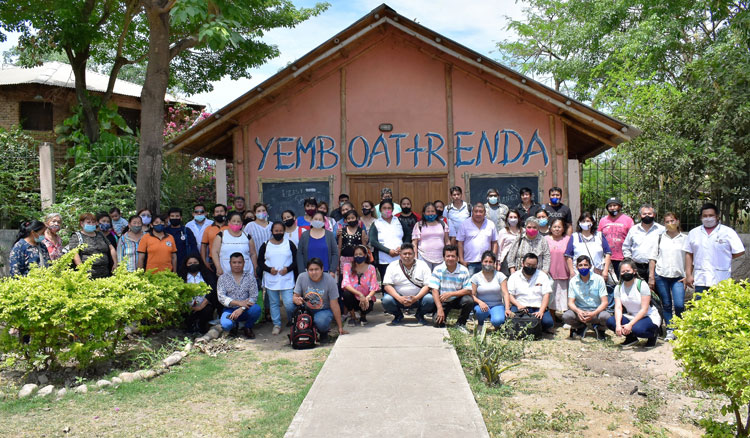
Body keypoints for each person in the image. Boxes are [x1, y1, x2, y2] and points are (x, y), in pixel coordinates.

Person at [684, 202, 745, 297]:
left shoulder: (728, 232)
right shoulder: (693, 233)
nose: (708, 218)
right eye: (705, 216)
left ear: (717, 217)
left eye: (711, 215)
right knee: (701, 308)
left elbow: (739, 251)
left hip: (721, 279)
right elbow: (689, 254)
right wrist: (688, 275)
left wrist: (725, 256)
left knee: (721, 308)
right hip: (701, 279)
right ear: (701, 217)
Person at [648, 212, 686, 341]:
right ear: (664, 224)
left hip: (678, 277)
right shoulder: (659, 238)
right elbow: (652, 259)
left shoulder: (685, 239)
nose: (670, 224)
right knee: (667, 304)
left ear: (678, 222)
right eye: (667, 222)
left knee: (680, 304)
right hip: (661, 276)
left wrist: (689, 275)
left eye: (672, 221)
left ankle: (680, 327)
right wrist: (651, 277)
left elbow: (690, 258)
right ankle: (670, 329)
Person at [606, 260, 661, 347]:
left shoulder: (642, 285)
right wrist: (618, 325)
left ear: (634, 271)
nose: (625, 273)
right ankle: (631, 338)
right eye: (623, 271)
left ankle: (653, 335)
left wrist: (630, 325)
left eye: (628, 271)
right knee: (611, 321)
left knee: (637, 330)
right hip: (630, 315)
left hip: (648, 316)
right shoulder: (618, 288)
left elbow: (644, 309)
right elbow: (618, 308)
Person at [293, 258, 348, 341]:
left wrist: (340, 327)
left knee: (321, 321)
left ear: (322, 269)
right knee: (290, 306)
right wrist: (296, 300)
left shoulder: (329, 280)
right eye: (311, 270)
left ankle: (323, 332)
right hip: (306, 309)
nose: (314, 272)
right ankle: (299, 330)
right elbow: (295, 296)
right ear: (307, 270)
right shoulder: (302, 277)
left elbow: (334, 304)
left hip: (323, 309)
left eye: (316, 269)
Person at [258, 222, 297, 335]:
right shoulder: (265, 245)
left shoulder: (289, 244)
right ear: (272, 231)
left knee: (289, 303)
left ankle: (291, 320)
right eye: (276, 231)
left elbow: (296, 260)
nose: (278, 233)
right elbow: (260, 261)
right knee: (274, 303)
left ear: (284, 231)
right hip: (271, 278)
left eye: (281, 231)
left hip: (287, 278)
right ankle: (277, 324)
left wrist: (288, 269)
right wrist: (269, 269)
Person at [381, 243, 435, 324]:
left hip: (418, 297)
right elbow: (387, 285)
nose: (407, 256)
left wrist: (416, 298)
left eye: (410, 253)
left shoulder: (422, 265)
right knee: (386, 300)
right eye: (404, 254)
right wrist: (400, 298)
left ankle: (420, 315)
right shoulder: (392, 265)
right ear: (400, 255)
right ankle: (398, 315)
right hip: (398, 298)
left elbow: (427, 285)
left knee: (430, 299)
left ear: (414, 254)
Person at [563, 255, 610, 339]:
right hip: (580, 313)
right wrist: (578, 311)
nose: (583, 267)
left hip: (596, 312)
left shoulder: (599, 279)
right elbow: (570, 302)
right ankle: (581, 327)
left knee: (606, 317)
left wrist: (594, 313)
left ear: (590, 266)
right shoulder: (573, 281)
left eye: (585, 265)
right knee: (566, 316)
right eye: (580, 265)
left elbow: (605, 302)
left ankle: (600, 329)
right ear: (576, 267)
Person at [429, 245, 473, 331]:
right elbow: (434, 290)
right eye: (448, 256)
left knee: (469, 300)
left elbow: (468, 290)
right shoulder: (438, 269)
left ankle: (461, 323)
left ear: (457, 258)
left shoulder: (463, 270)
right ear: (443, 257)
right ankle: (442, 316)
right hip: (443, 300)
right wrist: (439, 308)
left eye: (453, 256)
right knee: (437, 323)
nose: (450, 258)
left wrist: (451, 294)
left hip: (457, 299)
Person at [507, 252, 554, 331]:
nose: (530, 267)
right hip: (520, 307)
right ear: (522, 263)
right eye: (528, 265)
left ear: (537, 265)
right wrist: (518, 305)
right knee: (511, 320)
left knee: (548, 322)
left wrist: (541, 311)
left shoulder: (543, 276)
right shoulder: (514, 276)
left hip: (537, 307)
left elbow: (546, 295)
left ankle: (538, 328)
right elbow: (510, 295)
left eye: (533, 266)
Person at [218, 252, 261, 338]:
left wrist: (242, 308)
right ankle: (234, 326)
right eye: (234, 262)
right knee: (226, 325)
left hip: (246, 309)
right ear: (230, 263)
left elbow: (253, 296)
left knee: (256, 309)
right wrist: (238, 303)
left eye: (239, 262)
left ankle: (248, 327)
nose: (237, 265)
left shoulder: (250, 277)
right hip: (229, 309)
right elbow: (221, 297)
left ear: (244, 263)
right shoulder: (222, 278)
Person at [178, 253, 219, 334]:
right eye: (190, 263)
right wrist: (188, 306)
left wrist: (201, 306)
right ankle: (190, 327)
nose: (193, 265)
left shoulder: (206, 274)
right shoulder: (181, 276)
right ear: (186, 265)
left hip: (204, 304)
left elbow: (212, 290)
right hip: (187, 305)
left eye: (195, 263)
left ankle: (202, 326)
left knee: (207, 310)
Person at [623, 204, 664, 282]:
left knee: (656, 291)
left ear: (654, 215)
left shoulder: (661, 230)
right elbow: (626, 246)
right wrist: (629, 261)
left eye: (649, 214)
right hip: (637, 266)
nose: (647, 216)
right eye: (644, 214)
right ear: (640, 216)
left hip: (656, 267)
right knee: (638, 291)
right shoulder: (633, 230)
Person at [565, 212, 612, 279]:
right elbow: (568, 256)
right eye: (583, 221)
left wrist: (605, 271)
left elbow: (607, 254)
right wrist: (572, 272)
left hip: (597, 273)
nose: (585, 223)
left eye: (587, 221)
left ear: (592, 223)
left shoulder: (599, 235)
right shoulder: (574, 236)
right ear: (579, 223)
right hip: (579, 274)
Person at [471, 251, 512, 328]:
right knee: (480, 312)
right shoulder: (476, 277)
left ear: (494, 263)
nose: (488, 264)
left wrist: (507, 308)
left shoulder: (500, 276)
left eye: (490, 262)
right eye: (485, 261)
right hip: (482, 305)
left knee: (498, 321)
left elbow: (505, 293)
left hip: (497, 305)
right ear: (481, 262)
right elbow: (472, 295)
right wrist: (480, 302)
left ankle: (495, 320)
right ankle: (481, 324)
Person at [340, 245, 378, 326]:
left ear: (365, 255)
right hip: (353, 298)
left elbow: (374, 286)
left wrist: (367, 297)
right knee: (346, 294)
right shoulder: (347, 266)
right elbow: (345, 284)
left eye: (360, 254)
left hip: (366, 298)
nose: (358, 256)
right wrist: (360, 294)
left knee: (368, 301)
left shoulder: (371, 268)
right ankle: (353, 317)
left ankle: (363, 316)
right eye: (356, 254)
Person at [70, 213, 118, 278]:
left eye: (93, 222)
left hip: (105, 273)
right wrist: (82, 269)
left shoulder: (100, 234)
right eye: (88, 222)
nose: (91, 224)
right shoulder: (77, 236)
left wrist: (115, 263)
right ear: (82, 223)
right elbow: (74, 253)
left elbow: (111, 248)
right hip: (87, 275)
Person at [457, 203, 499, 275]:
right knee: (471, 285)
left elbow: (494, 242)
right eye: (476, 211)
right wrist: (461, 259)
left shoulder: (490, 224)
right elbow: (460, 243)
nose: (478, 214)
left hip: (487, 262)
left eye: (480, 211)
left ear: (485, 213)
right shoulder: (464, 224)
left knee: (486, 284)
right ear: (472, 212)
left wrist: (493, 259)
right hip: (470, 263)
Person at [368, 199, 405, 281]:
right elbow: (373, 241)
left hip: (400, 258)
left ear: (392, 209)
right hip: (383, 260)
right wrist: (388, 251)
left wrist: (402, 247)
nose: (387, 210)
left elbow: (408, 236)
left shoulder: (399, 221)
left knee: (400, 282)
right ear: (380, 210)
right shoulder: (376, 223)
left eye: (389, 208)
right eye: (384, 208)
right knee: (387, 283)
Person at [212, 211, 257, 277]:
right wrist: (218, 267)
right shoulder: (221, 235)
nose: (236, 223)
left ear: (241, 223)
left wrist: (255, 268)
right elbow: (215, 252)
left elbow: (253, 254)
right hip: (225, 271)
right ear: (228, 222)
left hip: (246, 272)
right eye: (234, 221)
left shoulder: (247, 236)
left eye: (238, 221)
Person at [598, 197, 634, 277]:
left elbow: (632, 238)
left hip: (622, 258)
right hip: (606, 258)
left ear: (620, 207)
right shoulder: (603, 220)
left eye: (614, 205)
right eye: (610, 206)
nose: (612, 208)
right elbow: (599, 237)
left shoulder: (628, 220)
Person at [297, 211, 338, 275]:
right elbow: (300, 254)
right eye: (315, 219)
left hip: (326, 272)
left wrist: (332, 270)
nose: (317, 221)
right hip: (308, 272)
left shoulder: (329, 235)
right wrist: (302, 271)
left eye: (320, 219)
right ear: (311, 221)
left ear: (324, 222)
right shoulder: (304, 235)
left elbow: (335, 253)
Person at [411, 202, 450, 271]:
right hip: (423, 257)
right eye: (428, 211)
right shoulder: (419, 225)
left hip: (440, 258)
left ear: (436, 212)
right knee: (426, 280)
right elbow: (414, 243)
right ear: (424, 213)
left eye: (432, 211)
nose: (430, 213)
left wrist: (449, 255)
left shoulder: (442, 224)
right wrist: (415, 258)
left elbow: (447, 241)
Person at [546, 218, 571, 319]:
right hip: (550, 273)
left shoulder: (568, 239)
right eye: (554, 227)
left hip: (564, 272)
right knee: (552, 296)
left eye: (559, 227)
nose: (557, 229)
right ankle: (552, 318)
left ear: (563, 228)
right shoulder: (545, 239)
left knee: (565, 296)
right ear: (550, 228)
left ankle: (566, 318)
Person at [201, 204, 228, 270]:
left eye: (221, 211)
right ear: (213, 214)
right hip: (212, 261)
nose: (219, 213)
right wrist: (204, 262)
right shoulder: (208, 228)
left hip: (228, 259)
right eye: (217, 212)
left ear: (226, 213)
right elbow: (203, 246)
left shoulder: (231, 227)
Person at [497, 209, 522, 276]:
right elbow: (499, 248)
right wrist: (498, 262)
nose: (513, 219)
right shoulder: (503, 232)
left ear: (518, 219)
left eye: (515, 217)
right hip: (505, 260)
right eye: (511, 217)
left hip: (519, 259)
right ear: (507, 219)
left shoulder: (523, 231)